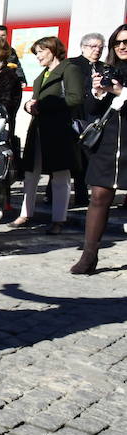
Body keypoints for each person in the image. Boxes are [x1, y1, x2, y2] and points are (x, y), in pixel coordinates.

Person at [12, 37, 83, 234]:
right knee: (30, 173)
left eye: (41, 51)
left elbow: (75, 98)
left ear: (52, 50)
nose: (38, 56)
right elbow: (36, 100)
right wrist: (29, 106)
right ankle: (25, 214)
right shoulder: (43, 74)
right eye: (36, 53)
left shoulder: (69, 69)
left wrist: (42, 105)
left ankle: (59, 219)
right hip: (38, 130)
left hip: (58, 131)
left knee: (60, 175)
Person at [73, 23, 127, 274]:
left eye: (126, 42)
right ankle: (89, 256)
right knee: (98, 197)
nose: (122, 46)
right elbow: (92, 111)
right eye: (118, 42)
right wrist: (96, 92)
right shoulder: (109, 71)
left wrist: (120, 92)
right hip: (108, 143)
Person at [68, 32, 107, 206]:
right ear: (83, 47)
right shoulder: (72, 64)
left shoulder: (104, 67)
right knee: (71, 158)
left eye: (100, 47)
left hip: (94, 118)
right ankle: (52, 195)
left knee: (88, 157)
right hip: (75, 116)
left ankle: (83, 196)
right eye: (93, 46)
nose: (97, 50)